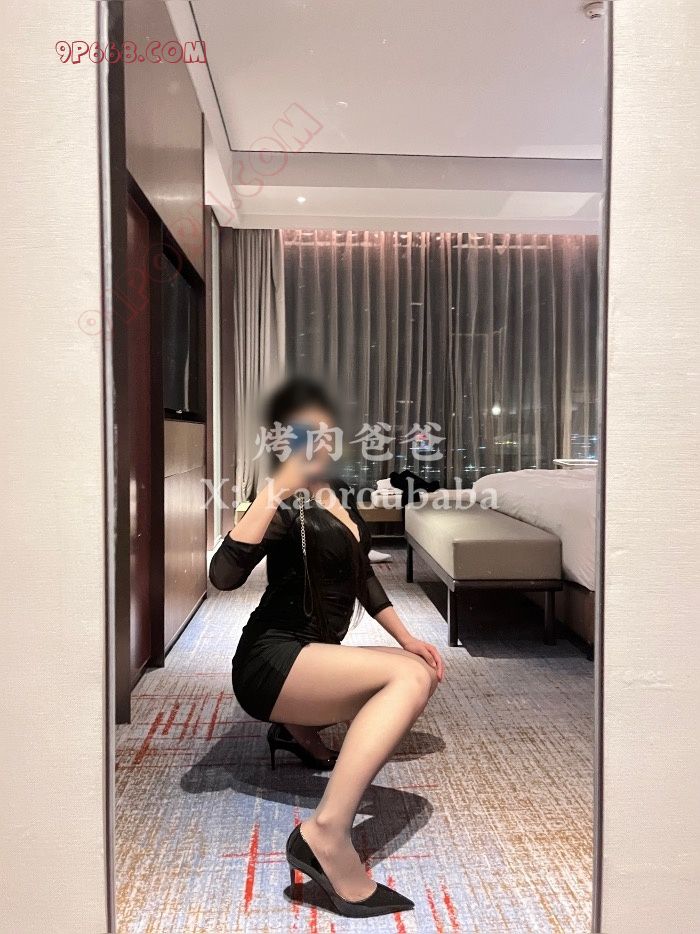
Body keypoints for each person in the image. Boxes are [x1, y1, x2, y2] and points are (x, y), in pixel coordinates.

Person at [209, 377, 444, 918]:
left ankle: (298, 730)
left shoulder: (338, 493)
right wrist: (275, 489)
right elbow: (222, 575)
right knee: (407, 680)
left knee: (416, 667)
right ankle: (326, 833)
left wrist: (408, 638)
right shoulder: (279, 503)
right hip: (271, 659)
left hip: (310, 654)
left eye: (324, 429)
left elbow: (364, 577)